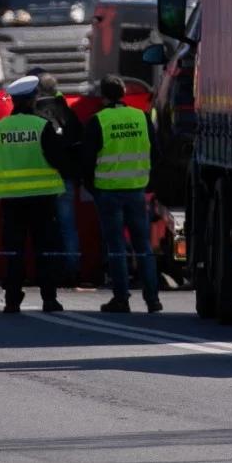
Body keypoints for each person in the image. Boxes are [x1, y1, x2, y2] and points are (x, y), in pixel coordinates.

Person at [0, 75, 70, 313]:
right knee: (44, 250)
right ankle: (49, 299)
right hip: (43, 199)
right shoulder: (42, 126)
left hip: (12, 201)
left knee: (14, 251)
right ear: (32, 100)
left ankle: (12, 300)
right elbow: (59, 160)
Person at [83, 74, 162, 313]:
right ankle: (152, 299)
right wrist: (148, 184)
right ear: (124, 92)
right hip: (136, 191)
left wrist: (93, 189)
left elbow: (86, 161)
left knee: (116, 247)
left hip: (108, 193)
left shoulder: (98, 120)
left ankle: (121, 298)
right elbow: (156, 153)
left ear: (104, 96)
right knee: (144, 247)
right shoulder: (141, 117)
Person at [34, 73, 84, 285]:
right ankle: (72, 272)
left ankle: (47, 273)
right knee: (67, 226)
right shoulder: (67, 112)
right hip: (65, 178)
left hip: (41, 179)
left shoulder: (35, 114)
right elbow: (79, 142)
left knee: (43, 227)